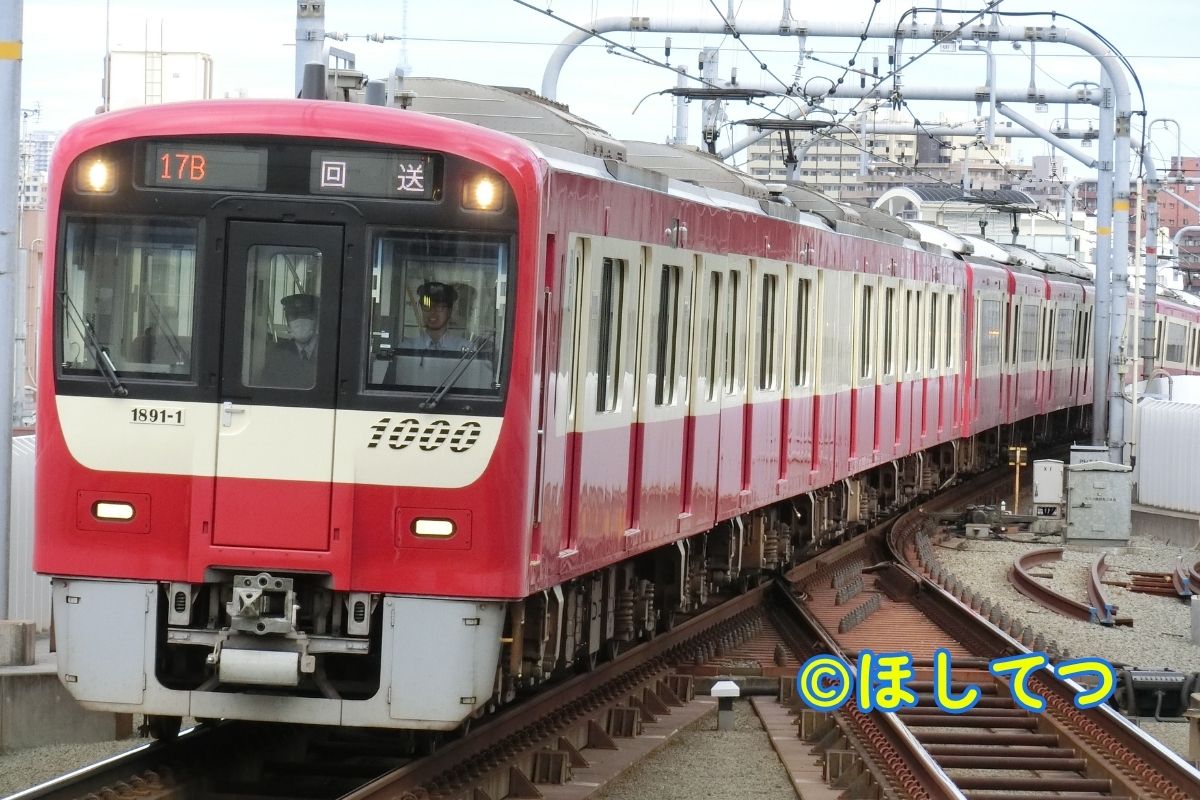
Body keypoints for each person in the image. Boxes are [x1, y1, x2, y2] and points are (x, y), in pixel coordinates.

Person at [260, 293, 319, 388]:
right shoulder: (277, 354)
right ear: (288, 321)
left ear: (316, 319)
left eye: (306, 315)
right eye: (294, 316)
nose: (300, 321)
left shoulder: (329, 351)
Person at [403, 281, 470, 351]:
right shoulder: (407, 348)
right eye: (427, 306)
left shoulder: (464, 349)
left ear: (450, 311)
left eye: (439, 306)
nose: (432, 311)